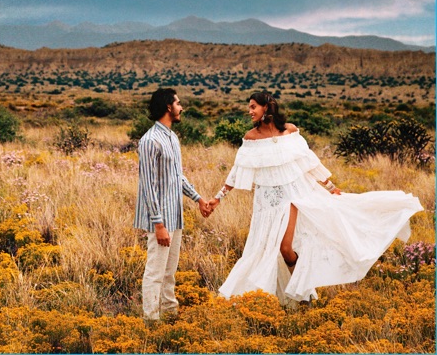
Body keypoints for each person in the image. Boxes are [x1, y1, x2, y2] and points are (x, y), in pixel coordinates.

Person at [208, 91, 423, 305]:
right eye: (249, 107)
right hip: (266, 202)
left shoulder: (289, 131)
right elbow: (237, 172)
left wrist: (330, 187)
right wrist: (218, 198)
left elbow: (308, 162)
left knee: (285, 247)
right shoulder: (251, 137)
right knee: (264, 250)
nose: (250, 111)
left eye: (253, 106)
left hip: (293, 196)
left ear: (267, 107)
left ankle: (303, 294)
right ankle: (288, 296)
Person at [134, 88, 211, 321]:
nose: (181, 107)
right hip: (160, 219)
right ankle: (151, 320)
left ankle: (169, 313)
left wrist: (198, 199)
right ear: (168, 106)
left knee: (170, 272)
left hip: (175, 215)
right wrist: (158, 224)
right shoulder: (149, 140)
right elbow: (148, 185)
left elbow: (177, 177)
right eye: (178, 103)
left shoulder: (172, 137)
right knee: (156, 271)